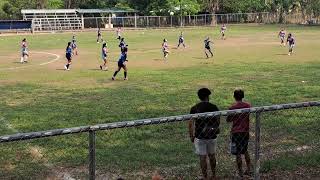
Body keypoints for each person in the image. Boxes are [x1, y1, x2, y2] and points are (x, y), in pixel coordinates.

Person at [189, 88, 220, 180]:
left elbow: (191, 124)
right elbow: (218, 121)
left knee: (202, 157)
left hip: (200, 136)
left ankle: (204, 176)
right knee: (212, 155)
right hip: (212, 135)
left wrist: (191, 135)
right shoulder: (214, 107)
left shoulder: (194, 108)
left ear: (199, 97)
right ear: (208, 96)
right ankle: (214, 175)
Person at [226, 89, 252, 178]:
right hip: (245, 131)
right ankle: (249, 169)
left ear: (234, 96)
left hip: (236, 132)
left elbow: (228, 120)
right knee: (245, 150)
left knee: (237, 153)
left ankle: (240, 172)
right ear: (243, 96)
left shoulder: (232, 108)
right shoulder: (247, 105)